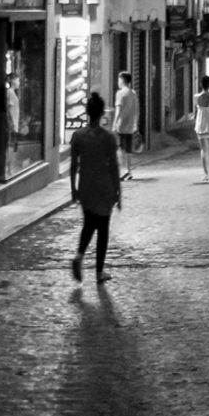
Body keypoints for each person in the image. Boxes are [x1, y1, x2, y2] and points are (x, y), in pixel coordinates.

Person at [69, 91, 122, 285]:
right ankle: (99, 271)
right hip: (104, 186)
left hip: (86, 186)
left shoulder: (78, 136)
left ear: (87, 112)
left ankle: (79, 255)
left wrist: (73, 189)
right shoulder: (109, 137)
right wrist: (118, 191)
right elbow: (114, 166)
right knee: (103, 228)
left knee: (89, 222)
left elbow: (73, 165)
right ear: (101, 114)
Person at [112, 72, 140, 179]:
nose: (118, 82)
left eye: (119, 80)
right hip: (130, 125)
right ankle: (128, 171)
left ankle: (123, 171)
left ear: (122, 81)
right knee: (128, 149)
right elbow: (136, 110)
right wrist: (135, 124)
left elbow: (118, 110)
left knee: (119, 148)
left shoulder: (120, 93)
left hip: (121, 125)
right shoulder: (133, 93)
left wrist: (114, 124)